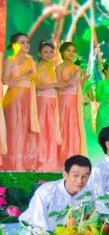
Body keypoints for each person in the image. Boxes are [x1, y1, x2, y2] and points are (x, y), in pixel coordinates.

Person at [19, 155, 94, 235]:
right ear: (65, 174)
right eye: (75, 175)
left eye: (84, 176)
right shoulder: (46, 192)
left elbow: (86, 222)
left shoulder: (88, 195)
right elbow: (39, 225)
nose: (80, 181)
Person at [2, 33, 39, 171]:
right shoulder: (9, 60)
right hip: (13, 99)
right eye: (23, 42)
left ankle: (25, 163)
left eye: (28, 42)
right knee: (13, 129)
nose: (27, 45)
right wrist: (23, 76)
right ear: (14, 45)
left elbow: (36, 81)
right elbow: (5, 80)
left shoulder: (31, 61)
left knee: (26, 130)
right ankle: (12, 164)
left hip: (28, 98)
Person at [56, 43, 88, 162]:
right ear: (62, 52)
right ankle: (62, 156)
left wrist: (83, 81)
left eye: (73, 51)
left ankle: (73, 154)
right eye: (68, 50)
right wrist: (71, 78)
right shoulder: (59, 68)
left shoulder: (77, 68)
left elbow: (78, 87)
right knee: (64, 126)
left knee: (74, 128)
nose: (71, 53)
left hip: (75, 101)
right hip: (64, 100)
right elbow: (58, 86)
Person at [35, 41, 63, 171]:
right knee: (43, 130)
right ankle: (41, 160)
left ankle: (50, 160)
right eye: (45, 52)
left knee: (51, 130)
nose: (49, 54)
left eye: (51, 51)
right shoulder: (38, 67)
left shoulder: (52, 66)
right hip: (42, 101)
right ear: (39, 54)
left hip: (52, 101)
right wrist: (55, 85)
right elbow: (37, 86)